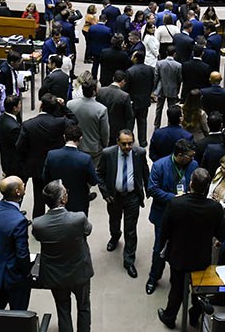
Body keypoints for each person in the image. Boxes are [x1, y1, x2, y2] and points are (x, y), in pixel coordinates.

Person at [156, 167, 225, 328]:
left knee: (177, 289)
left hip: (178, 255)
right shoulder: (215, 208)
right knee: (199, 291)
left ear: (191, 183)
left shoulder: (175, 203)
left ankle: (170, 317)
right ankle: (195, 317)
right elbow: (220, 233)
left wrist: (162, 248)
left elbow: (164, 230)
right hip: (201, 257)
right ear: (207, 187)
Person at [32, 180, 94, 332]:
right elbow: (88, 230)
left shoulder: (38, 224)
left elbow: (38, 236)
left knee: (63, 309)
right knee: (84, 307)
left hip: (55, 275)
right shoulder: (78, 218)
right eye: (66, 193)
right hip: (79, 271)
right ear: (63, 200)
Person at [146, 139, 198, 295]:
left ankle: (177, 279)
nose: (193, 159)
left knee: (182, 248)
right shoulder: (159, 165)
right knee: (159, 249)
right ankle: (153, 277)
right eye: (190, 156)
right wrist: (175, 198)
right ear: (180, 155)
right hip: (164, 215)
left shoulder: (193, 166)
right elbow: (152, 189)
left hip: (185, 216)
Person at [97, 129, 149, 279]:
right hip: (114, 197)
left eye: (130, 143)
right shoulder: (108, 154)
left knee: (131, 229)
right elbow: (99, 174)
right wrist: (105, 193)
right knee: (114, 221)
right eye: (124, 144)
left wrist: (148, 189)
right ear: (118, 142)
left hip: (132, 197)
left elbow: (145, 172)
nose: (127, 147)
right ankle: (115, 236)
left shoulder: (139, 153)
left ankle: (129, 260)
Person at [19, 94, 76, 218]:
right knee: (58, 196)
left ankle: (38, 225)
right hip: (56, 165)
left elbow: (20, 147)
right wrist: (64, 106)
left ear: (41, 105)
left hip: (36, 167)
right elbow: (74, 120)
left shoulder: (28, 124)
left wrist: (27, 161)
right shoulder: (60, 122)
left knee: (38, 199)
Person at [0, 176, 32, 310]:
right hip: (13, 277)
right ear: (18, 192)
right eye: (22, 185)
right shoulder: (19, 221)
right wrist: (27, 273)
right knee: (18, 316)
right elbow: (22, 253)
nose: (24, 185)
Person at [43, 124, 100, 215]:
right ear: (80, 139)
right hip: (79, 202)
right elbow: (93, 181)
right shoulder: (85, 159)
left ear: (64, 137)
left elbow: (45, 178)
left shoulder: (52, 155)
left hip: (57, 200)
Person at [67, 78, 109, 167]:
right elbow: (104, 132)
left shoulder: (70, 104)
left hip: (75, 145)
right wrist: (104, 145)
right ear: (94, 92)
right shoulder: (101, 109)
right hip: (93, 148)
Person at [97, 70, 135, 146]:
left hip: (101, 128)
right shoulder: (124, 96)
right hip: (116, 130)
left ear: (113, 78)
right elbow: (129, 116)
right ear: (123, 81)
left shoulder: (101, 91)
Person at [125, 50, 154, 147]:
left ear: (136, 58)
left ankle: (129, 141)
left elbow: (126, 88)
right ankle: (143, 141)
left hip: (133, 101)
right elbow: (152, 83)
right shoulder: (150, 69)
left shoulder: (130, 71)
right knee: (142, 121)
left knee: (130, 123)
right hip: (145, 100)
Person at [153, 45, 182, 129]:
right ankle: (170, 124)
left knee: (159, 108)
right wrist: (178, 89)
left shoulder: (159, 63)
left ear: (166, 53)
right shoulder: (178, 65)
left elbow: (156, 77)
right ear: (175, 54)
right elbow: (179, 79)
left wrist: (154, 89)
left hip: (161, 88)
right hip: (173, 88)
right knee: (171, 109)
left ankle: (156, 125)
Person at [0, 95, 22, 177]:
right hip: (14, 165)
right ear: (15, 108)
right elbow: (19, 145)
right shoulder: (14, 128)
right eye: (19, 104)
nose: (20, 105)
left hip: (5, 160)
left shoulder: (1, 118)